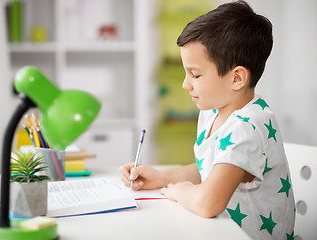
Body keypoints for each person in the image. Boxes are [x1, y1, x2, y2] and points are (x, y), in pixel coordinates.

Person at [119, 1, 295, 239]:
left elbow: (208, 203)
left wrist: (182, 192)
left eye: (195, 74)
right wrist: (161, 177)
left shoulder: (247, 127)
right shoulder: (213, 111)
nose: (185, 83)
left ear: (237, 78)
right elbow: (212, 170)